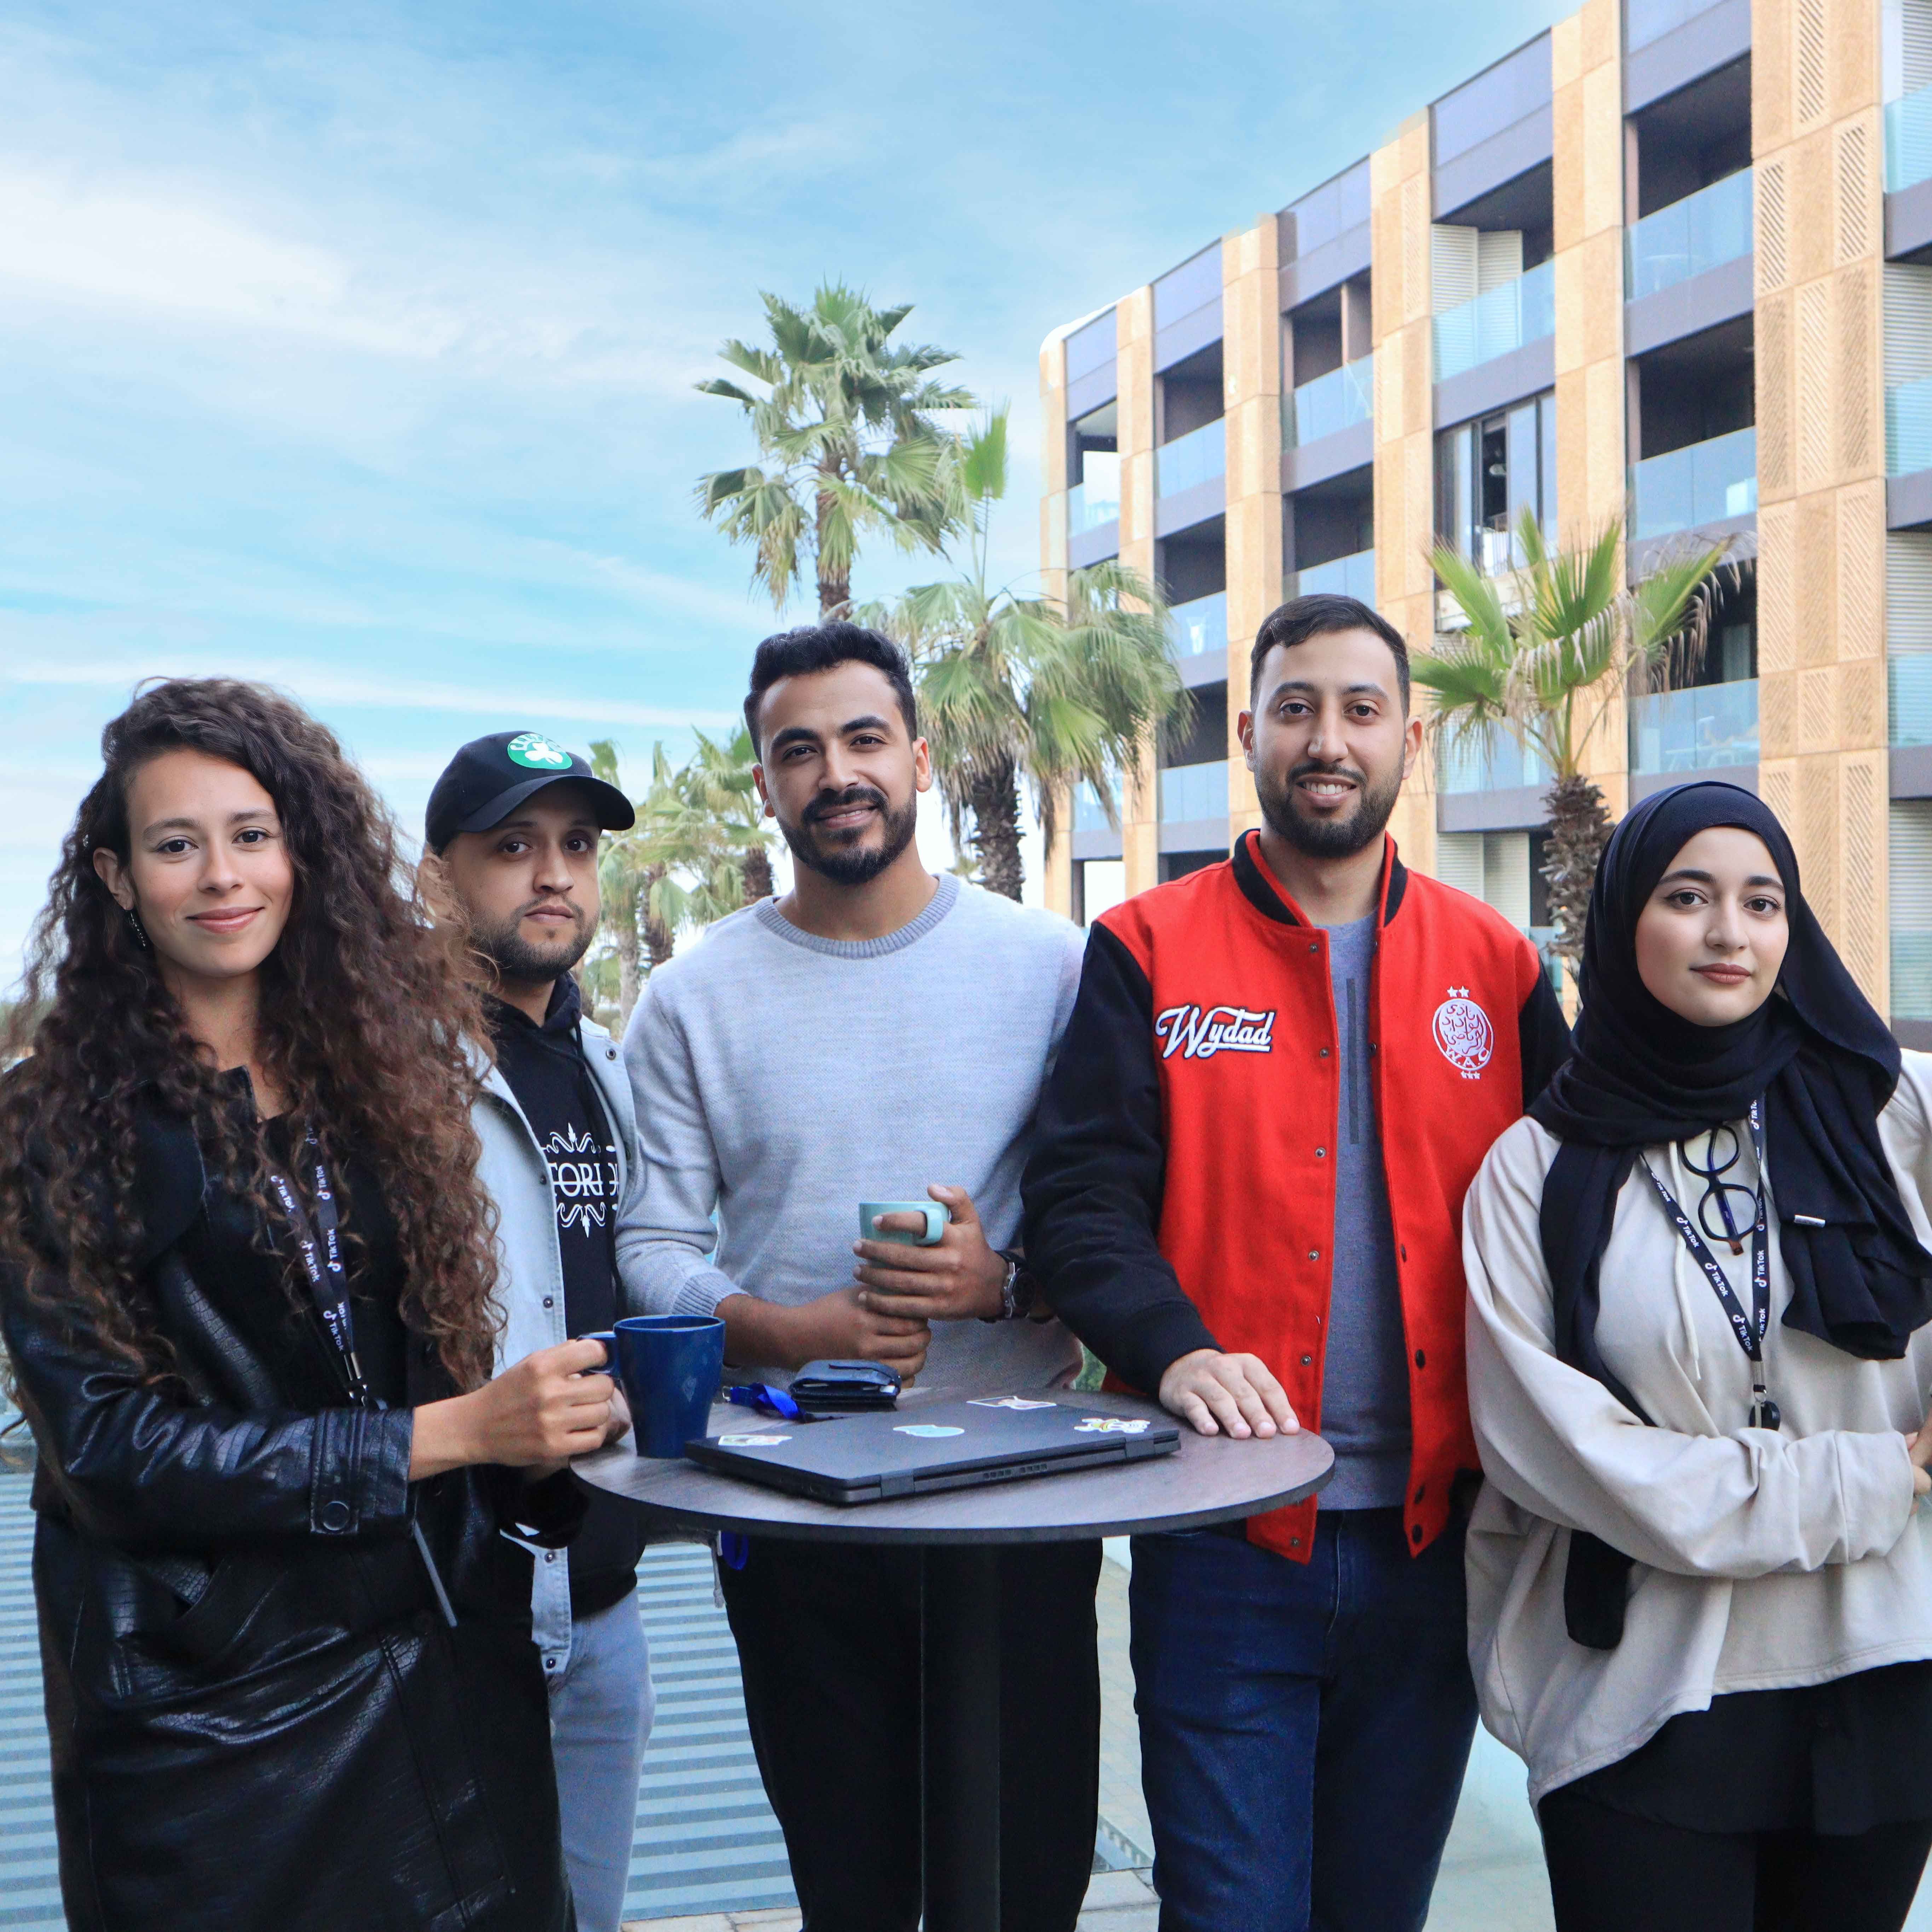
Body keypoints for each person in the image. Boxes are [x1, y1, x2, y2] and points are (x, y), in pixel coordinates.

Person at [0, 679, 623, 1932]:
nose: (222, 876)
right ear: (119, 879)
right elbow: (112, 1455)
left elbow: (428, 1347)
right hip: (209, 1725)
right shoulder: (47, 1120)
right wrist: (453, 1436)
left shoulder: (379, 1078)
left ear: (303, 855)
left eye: (252, 835)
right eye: (177, 844)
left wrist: (555, 1454)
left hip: (447, 1669)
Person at [1023, 593, 1571, 1932]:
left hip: (1440, 1545)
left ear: (1409, 741)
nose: (1329, 739)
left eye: (1360, 710)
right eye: (1297, 707)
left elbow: (1584, 1207)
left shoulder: (1497, 965)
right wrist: (1179, 1348)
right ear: (1252, 734)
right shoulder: (1145, 948)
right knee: (1230, 1919)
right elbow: (1081, 1201)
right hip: (1225, 1542)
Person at [618, 621, 1100, 1932]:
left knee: (1027, 1889)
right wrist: (783, 1331)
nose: (838, 772)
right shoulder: (691, 998)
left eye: (865, 738)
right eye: (800, 749)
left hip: (1020, 1506)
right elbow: (650, 1243)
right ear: (766, 781)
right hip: (794, 1508)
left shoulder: (1052, 966)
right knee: (853, 1892)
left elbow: (1117, 1217)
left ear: (923, 761)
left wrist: (1005, 1284)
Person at [1461, 781, 1932, 1932]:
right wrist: (1879, 1474)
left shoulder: (1888, 1108)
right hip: (1648, 1704)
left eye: (1763, 902)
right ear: (1626, 920)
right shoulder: (1537, 1171)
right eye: (1689, 897)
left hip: (1885, 1670)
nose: (1731, 933)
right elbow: (1564, 1455)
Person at [423, 729, 658, 1932]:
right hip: (451, 1620)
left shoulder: (602, 1061)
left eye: (575, 846)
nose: (553, 873)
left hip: (604, 1600)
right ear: (437, 877)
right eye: (511, 847)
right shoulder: (386, 1072)